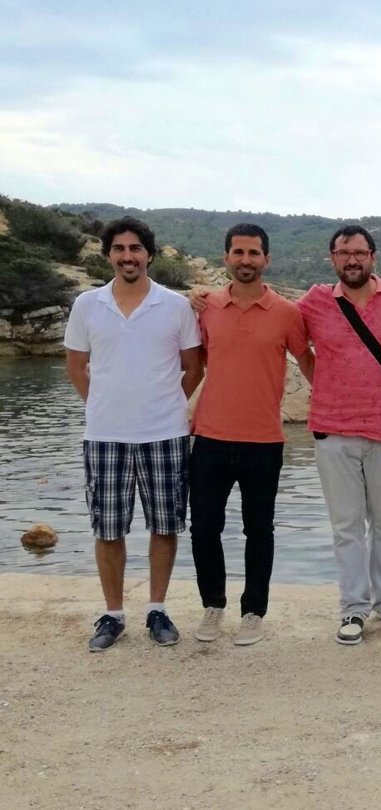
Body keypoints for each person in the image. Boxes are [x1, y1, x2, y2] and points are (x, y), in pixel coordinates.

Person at [63, 217, 204, 651]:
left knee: (165, 524)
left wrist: (167, 405)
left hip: (165, 433)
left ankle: (157, 609)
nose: (128, 256)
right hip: (105, 434)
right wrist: (101, 405)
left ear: (149, 254)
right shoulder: (87, 304)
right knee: (108, 528)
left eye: (136, 248)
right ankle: (113, 614)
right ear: (109, 255)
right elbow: (75, 365)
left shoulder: (175, 306)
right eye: (120, 248)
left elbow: (194, 367)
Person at [189, 224, 310, 646]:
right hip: (210, 437)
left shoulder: (287, 313)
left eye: (253, 253)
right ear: (226, 257)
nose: (246, 260)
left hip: (264, 441)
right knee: (203, 528)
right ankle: (212, 605)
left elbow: (309, 362)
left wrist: (338, 406)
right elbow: (190, 363)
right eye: (238, 252)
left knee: (259, 530)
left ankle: (253, 612)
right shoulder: (205, 308)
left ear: (266, 260)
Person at [297, 226, 381, 645]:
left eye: (360, 253)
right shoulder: (313, 302)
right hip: (333, 429)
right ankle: (353, 607)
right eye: (344, 253)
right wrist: (325, 383)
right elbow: (296, 346)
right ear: (333, 258)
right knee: (346, 524)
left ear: (373, 257)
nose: (352, 260)